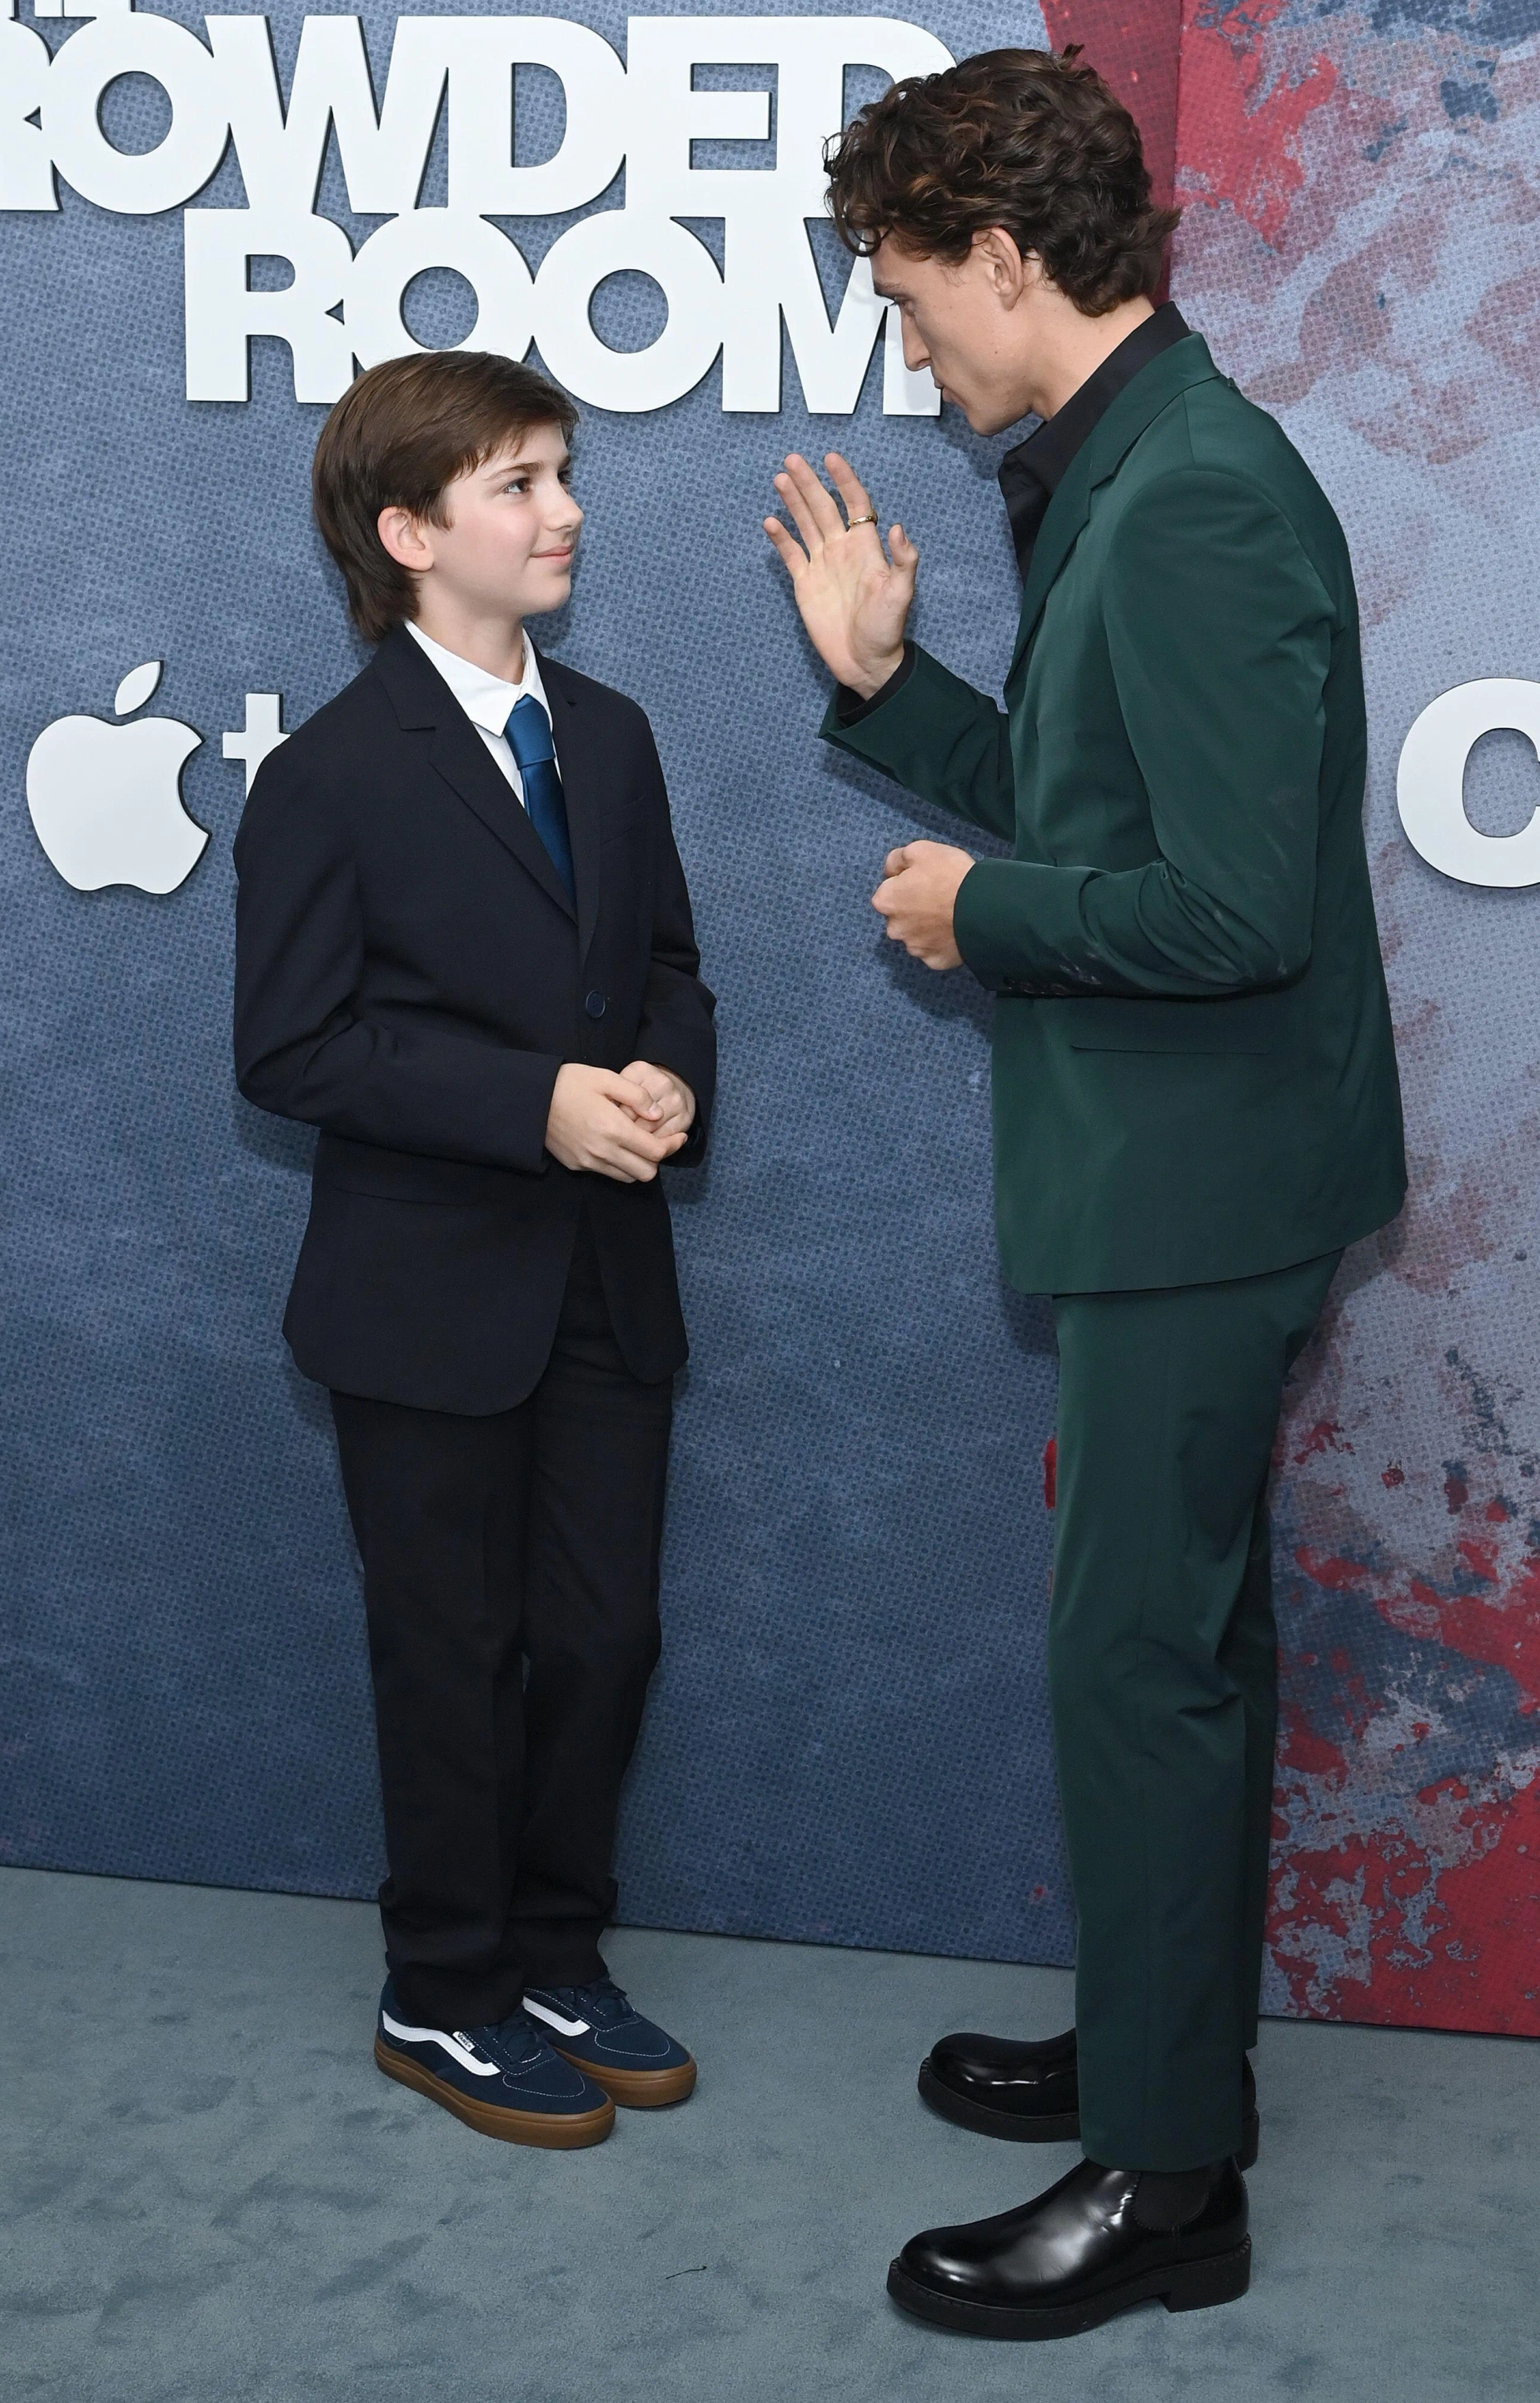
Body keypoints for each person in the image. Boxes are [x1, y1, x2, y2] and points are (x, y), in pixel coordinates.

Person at [765, 48, 1404, 2336]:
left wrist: (980, 914)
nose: (906, 346)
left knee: (1137, 1664)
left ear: (1014, 258)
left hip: (1198, 1185)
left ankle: (1164, 2188)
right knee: (1176, 1659)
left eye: (915, 296)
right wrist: (892, 688)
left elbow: (1230, 904)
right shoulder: (1133, 468)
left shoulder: (1199, 491)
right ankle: (1163, 2055)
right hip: (1188, 1170)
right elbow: (1082, 785)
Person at [234, 351, 715, 2150]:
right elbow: (289, 1049)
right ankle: (440, 1985)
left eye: (563, 472)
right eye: (520, 481)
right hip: (423, 1301)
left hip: (608, 1282)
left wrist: (663, 1075)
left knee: (603, 1638)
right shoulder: (330, 774)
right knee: (450, 1648)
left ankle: (552, 1951)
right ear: (410, 532)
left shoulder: (617, 733)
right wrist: (536, 1104)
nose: (565, 508)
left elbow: (668, 961)